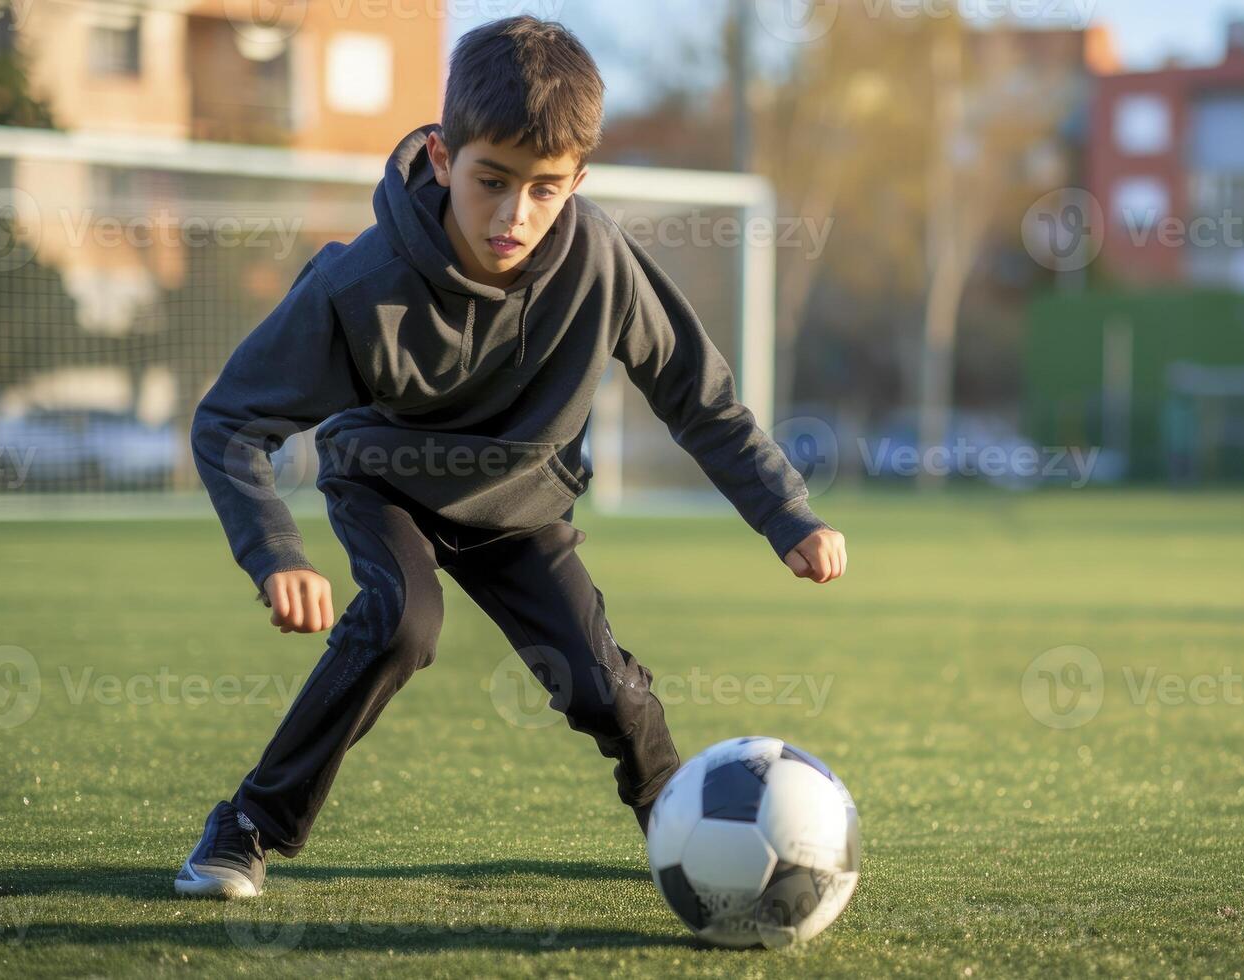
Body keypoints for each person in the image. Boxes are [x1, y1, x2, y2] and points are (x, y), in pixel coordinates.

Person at [176, 15, 846, 899]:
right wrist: (276, 553)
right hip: (387, 483)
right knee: (401, 628)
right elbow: (229, 422)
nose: (513, 215)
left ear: (577, 178)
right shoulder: (356, 285)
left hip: (520, 506)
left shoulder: (600, 260)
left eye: (544, 189)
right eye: (491, 181)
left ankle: (684, 823)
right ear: (446, 156)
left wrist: (786, 512)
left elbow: (697, 394)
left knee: (607, 692)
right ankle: (246, 827)